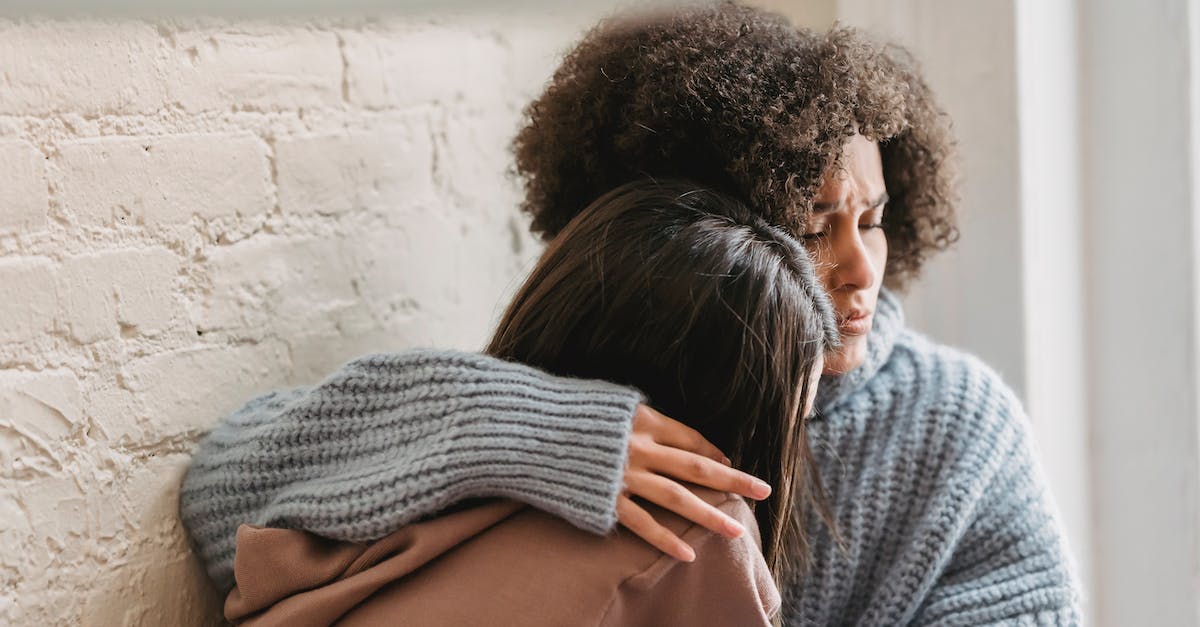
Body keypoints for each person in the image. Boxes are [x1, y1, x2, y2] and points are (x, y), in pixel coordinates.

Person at [182, 3, 1083, 624]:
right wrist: (540, 432)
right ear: (706, 230)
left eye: (874, 219)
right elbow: (222, 497)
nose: (860, 269)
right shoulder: (578, 386)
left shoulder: (957, 428)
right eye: (811, 226)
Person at [209, 180, 838, 626]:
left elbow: (218, 497)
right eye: (791, 423)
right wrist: (555, 431)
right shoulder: (703, 533)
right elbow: (213, 489)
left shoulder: (417, 491)